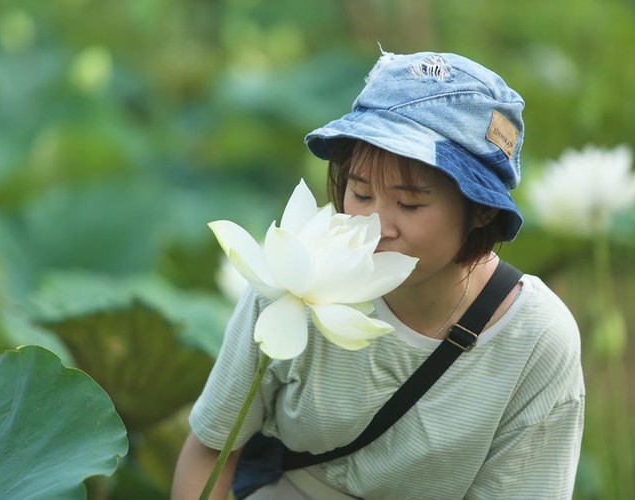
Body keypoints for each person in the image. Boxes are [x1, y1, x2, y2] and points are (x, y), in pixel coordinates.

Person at [171, 50, 585, 499]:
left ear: (481, 209)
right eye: (361, 192)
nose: (373, 227)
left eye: (409, 204)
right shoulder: (294, 280)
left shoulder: (536, 338)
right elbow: (211, 450)